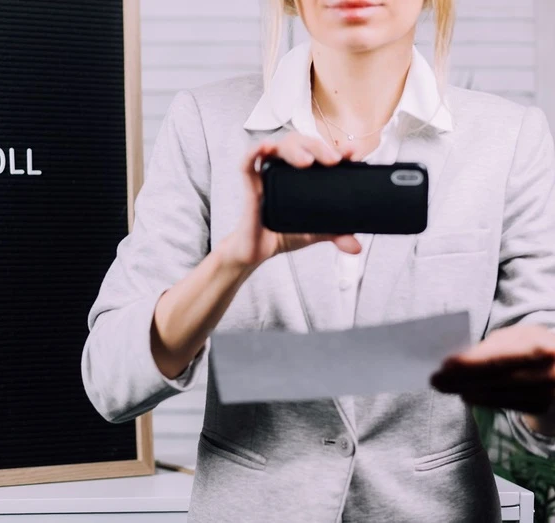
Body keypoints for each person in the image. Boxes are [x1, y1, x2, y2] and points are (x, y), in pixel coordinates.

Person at [81, 0, 555, 520]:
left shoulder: (510, 138)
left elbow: (540, 386)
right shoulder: (205, 121)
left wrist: (536, 385)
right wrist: (233, 261)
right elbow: (111, 379)